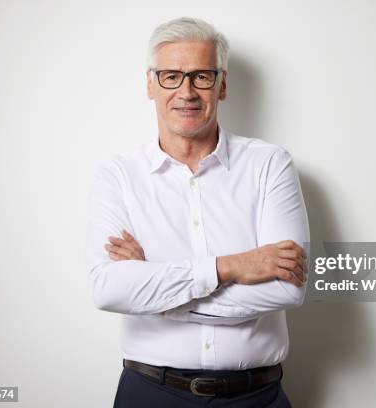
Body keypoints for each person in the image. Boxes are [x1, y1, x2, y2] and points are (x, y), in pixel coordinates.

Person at [86, 17, 309, 408]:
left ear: (222, 85)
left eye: (201, 76)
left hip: (256, 397)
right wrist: (232, 266)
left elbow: (288, 287)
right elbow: (109, 289)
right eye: (171, 76)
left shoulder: (269, 165)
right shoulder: (118, 176)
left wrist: (156, 291)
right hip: (149, 393)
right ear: (150, 85)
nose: (186, 91)